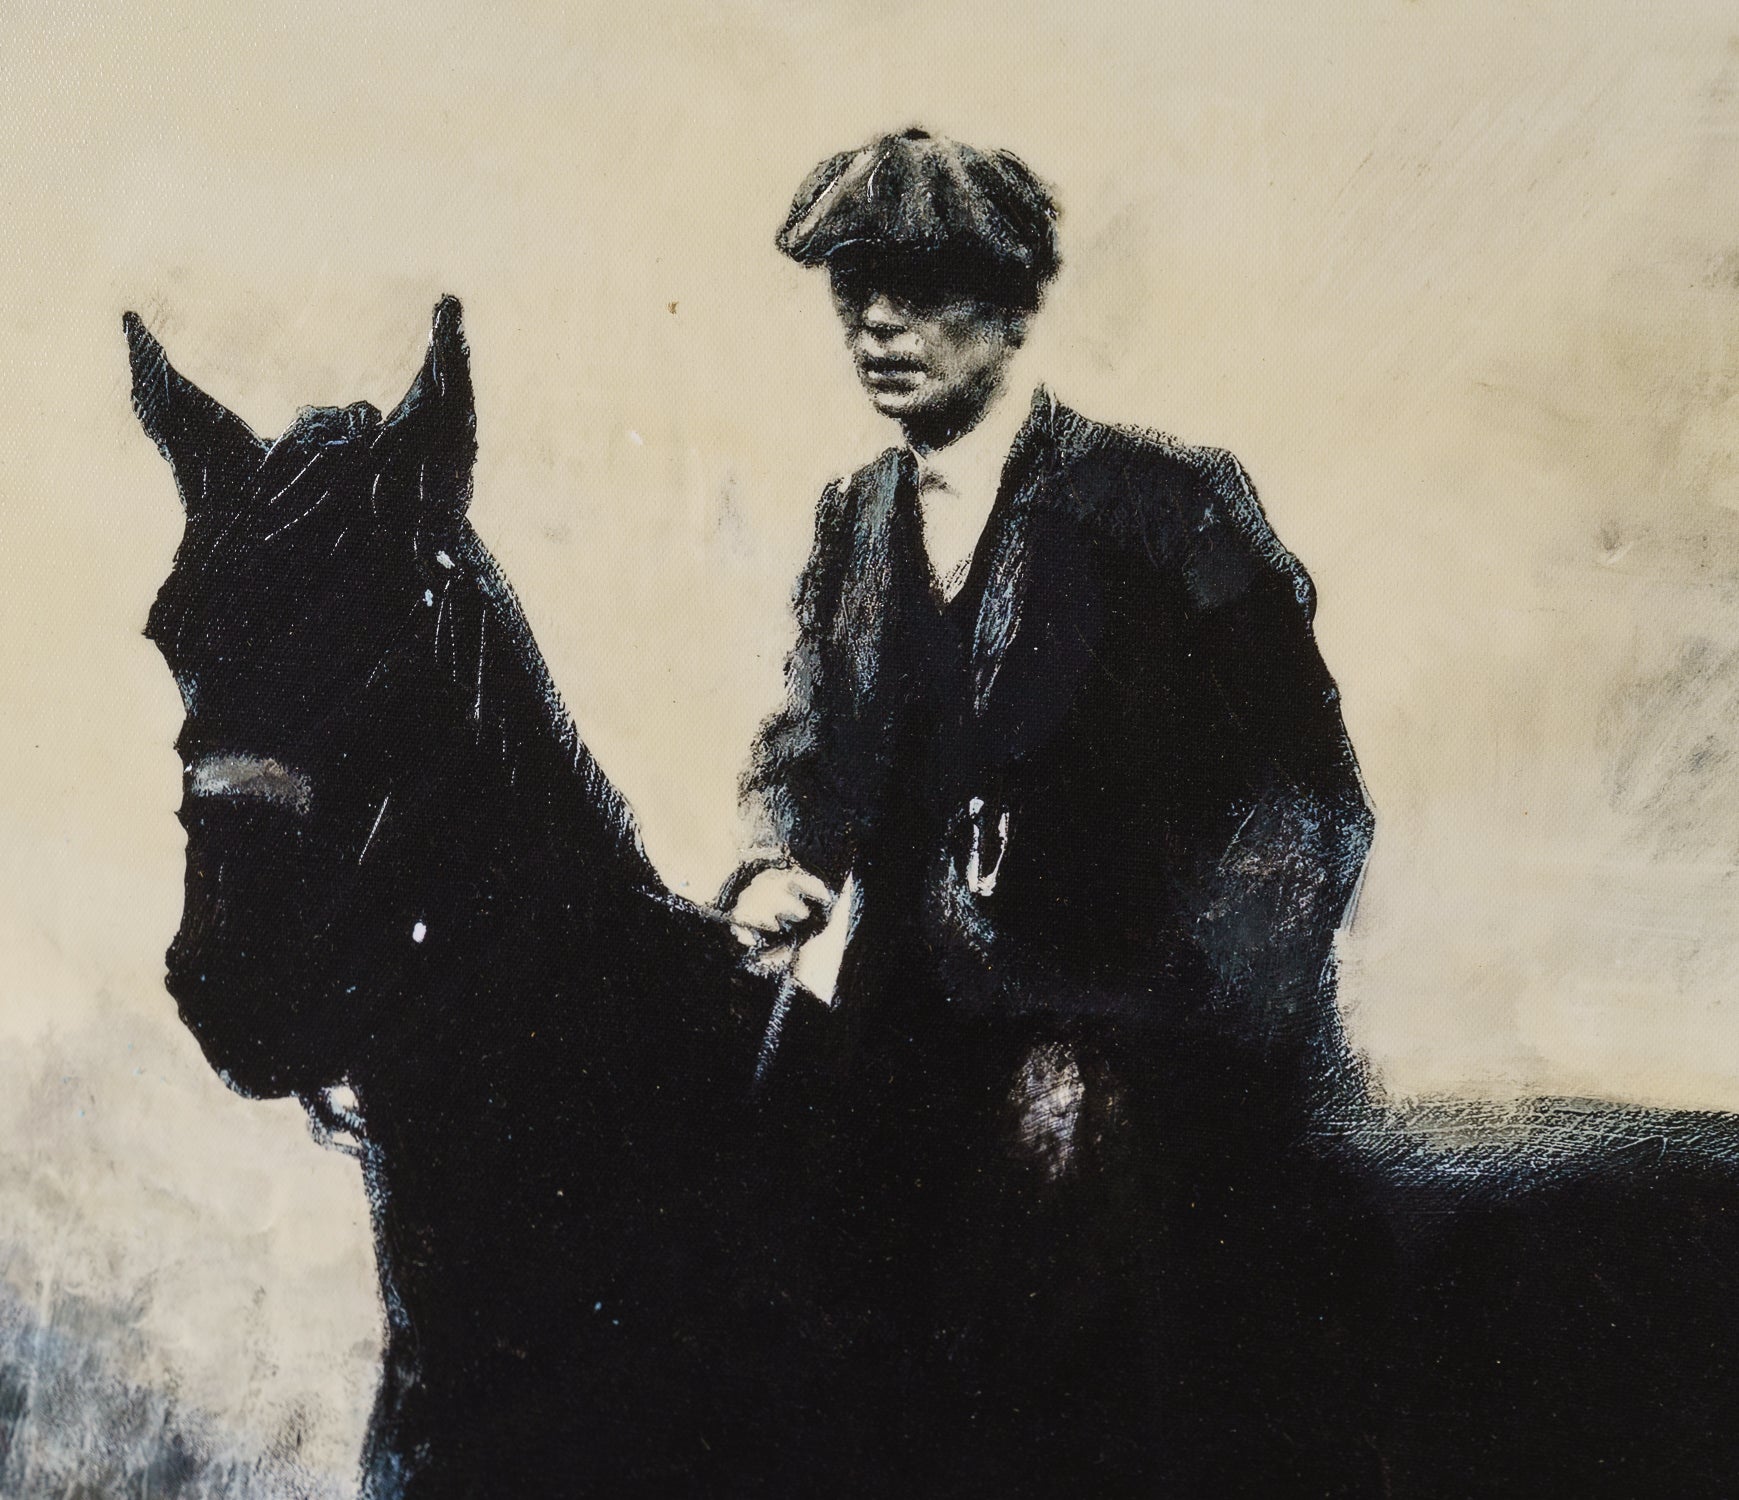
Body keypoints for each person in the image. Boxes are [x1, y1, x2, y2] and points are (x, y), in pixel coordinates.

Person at [724, 128, 1385, 1496]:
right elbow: (809, 749)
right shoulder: (855, 522)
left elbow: (1308, 805)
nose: (877, 324)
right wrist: (778, 861)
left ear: (1014, 306)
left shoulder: (1165, 508)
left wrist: (1150, 1043)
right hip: (911, 1047)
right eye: (852, 288)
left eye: (920, 287)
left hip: (1147, 1063)